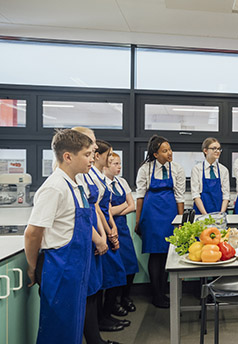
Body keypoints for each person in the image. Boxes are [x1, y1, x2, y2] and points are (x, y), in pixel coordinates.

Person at [24, 129, 94, 343]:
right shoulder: (54, 187)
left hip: (77, 267)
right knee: (57, 329)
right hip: (60, 267)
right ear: (68, 157)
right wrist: (33, 267)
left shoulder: (77, 184)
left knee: (73, 326)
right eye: (87, 154)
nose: (92, 159)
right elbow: (32, 233)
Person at [72, 127, 119, 344]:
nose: (93, 148)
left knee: (95, 286)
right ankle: (93, 337)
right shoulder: (73, 175)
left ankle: (95, 336)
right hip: (85, 235)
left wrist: (106, 231)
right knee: (89, 290)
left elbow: (97, 208)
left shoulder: (88, 172)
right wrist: (100, 237)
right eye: (89, 144)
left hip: (96, 230)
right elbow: (81, 212)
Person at [135, 135, 185, 308]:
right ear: (155, 154)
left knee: (168, 253)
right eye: (165, 151)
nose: (169, 153)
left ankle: (164, 292)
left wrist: (180, 222)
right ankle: (156, 295)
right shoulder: (146, 169)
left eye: (170, 149)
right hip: (151, 214)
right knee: (155, 254)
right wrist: (138, 220)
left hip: (170, 213)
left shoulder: (177, 169)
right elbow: (140, 196)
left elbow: (180, 196)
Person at [89, 140, 129, 331]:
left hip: (108, 227)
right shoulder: (93, 177)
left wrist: (112, 227)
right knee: (104, 279)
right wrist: (106, 233)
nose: (111, 158)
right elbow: (96, 208)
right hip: (101, 230)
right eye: (109, 154)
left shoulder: (101, 178)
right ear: (98, 156)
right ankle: (101, 319)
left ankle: (106, 314)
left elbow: (109, 208)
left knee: (116, 274)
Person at [104, 152, 139, 314]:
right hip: (110, 229)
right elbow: (106, 211)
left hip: (122, 228)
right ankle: (114, 302)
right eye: (115, 164)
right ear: (105, 165)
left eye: (119, 163)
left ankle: (125, 297)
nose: (119, 167)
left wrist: (113, 210)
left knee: (130, 264)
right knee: (116, 268)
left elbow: (132, 206)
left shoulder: (121, 182)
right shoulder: (102, 184)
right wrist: (119, 208)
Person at [191, 137, 230, 214]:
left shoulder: (223, 170)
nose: (217, 151)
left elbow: (226, 195)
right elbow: (195, 195)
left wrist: (221, 214)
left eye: (219, 149)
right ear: (205, 151)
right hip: (201, 212)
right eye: (214, 148)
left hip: (219, 212)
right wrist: (205, 215)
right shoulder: (197, 169)